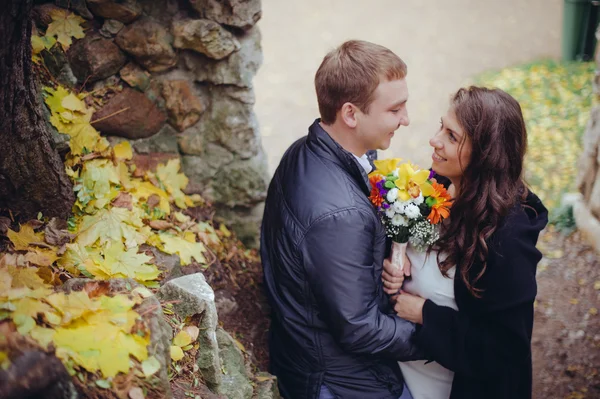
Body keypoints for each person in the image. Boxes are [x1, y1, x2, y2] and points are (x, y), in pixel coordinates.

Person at [260, 40, 422, 399]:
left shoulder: (304, 150)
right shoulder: (341, 216)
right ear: (350, 114)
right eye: (395, 109)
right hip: (342, 383)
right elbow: (360, 329)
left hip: (308, 349)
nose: (406, 119)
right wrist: (442, 339)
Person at [383, 86, 548, 399]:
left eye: (452, 136)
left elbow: (504, 352)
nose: (435, 140)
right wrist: (399, 251)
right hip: (399, 377)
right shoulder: (438, 185)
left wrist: (425, 315)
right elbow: (403, 224)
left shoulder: (506, 241)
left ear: (485, 155)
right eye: (440, 127)